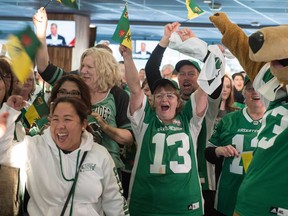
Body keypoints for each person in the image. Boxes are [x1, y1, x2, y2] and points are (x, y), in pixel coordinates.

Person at [33, 7, 134, 178]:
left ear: (103, 69)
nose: (83, 71)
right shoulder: (74, 85)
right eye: (83, 66)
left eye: (89, 67)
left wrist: (105, 126)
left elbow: (128, 138)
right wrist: (41, 34)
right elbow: (44, 68)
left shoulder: (118, 94)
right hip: (74, 162)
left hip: (109, 166)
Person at [0, 96, 129, 216]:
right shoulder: (34, 147)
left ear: (83, 124)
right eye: (55, 119)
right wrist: (8, 112)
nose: (60, 126)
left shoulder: (100, 155)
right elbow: (2, 153)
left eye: (67, 119)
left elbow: (115, 204)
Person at [145, 22, 225, 216]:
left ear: (201, 77)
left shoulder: (209, 99)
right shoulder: (170, 101)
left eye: (192, 74)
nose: (186, 78)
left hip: (204, 178)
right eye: (182, 74)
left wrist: (194, 42)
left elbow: (216, 70)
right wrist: (164, 40)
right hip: (172, 179)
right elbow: (151, 69)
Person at [120, 41, 207, 215]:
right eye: (159, 95)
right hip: (146, 204)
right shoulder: (144, 121)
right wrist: (128, 57)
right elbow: (136, 90)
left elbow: (205, 87)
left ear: (178, 101)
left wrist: (206, 52)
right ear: (153, 100)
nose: (164, 99)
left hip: (186, 204)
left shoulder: (189, 120)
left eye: (169, 95)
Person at [205, 77, 265, 215]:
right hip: (229, 193)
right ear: (243, 92)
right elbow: (208, 152)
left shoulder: (277, 120)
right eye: (250, 88)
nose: (255, 92)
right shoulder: (228, 120)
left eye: (260, 88)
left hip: (262, 193)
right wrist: (219, 150)